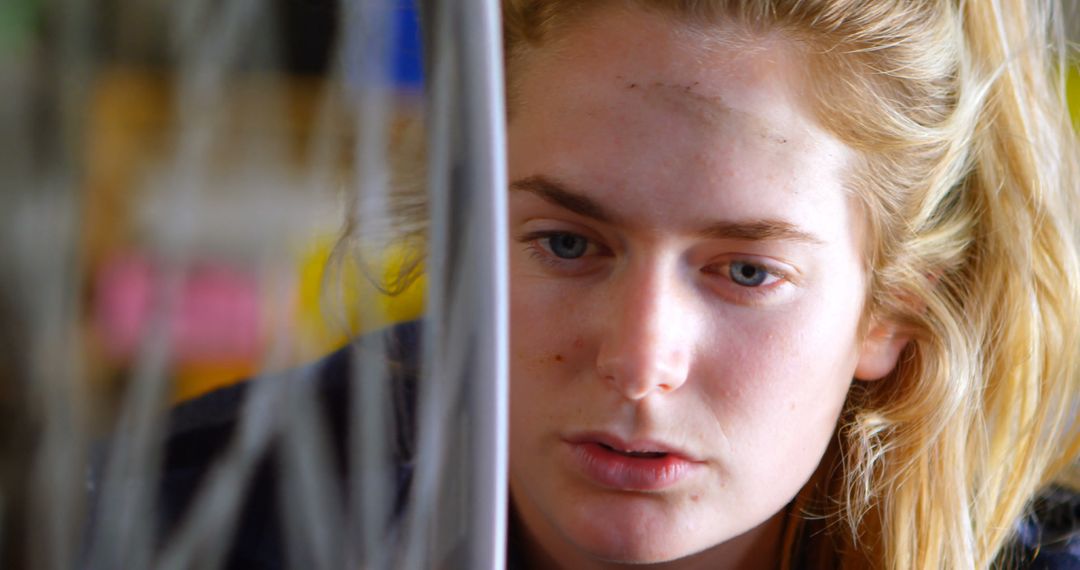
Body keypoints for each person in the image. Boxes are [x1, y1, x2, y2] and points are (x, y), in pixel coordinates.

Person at [158, 0, 1080, 568]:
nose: (639, 365)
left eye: (748, 271)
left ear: (890, 310)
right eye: (566, 244)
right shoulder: (199, 522)